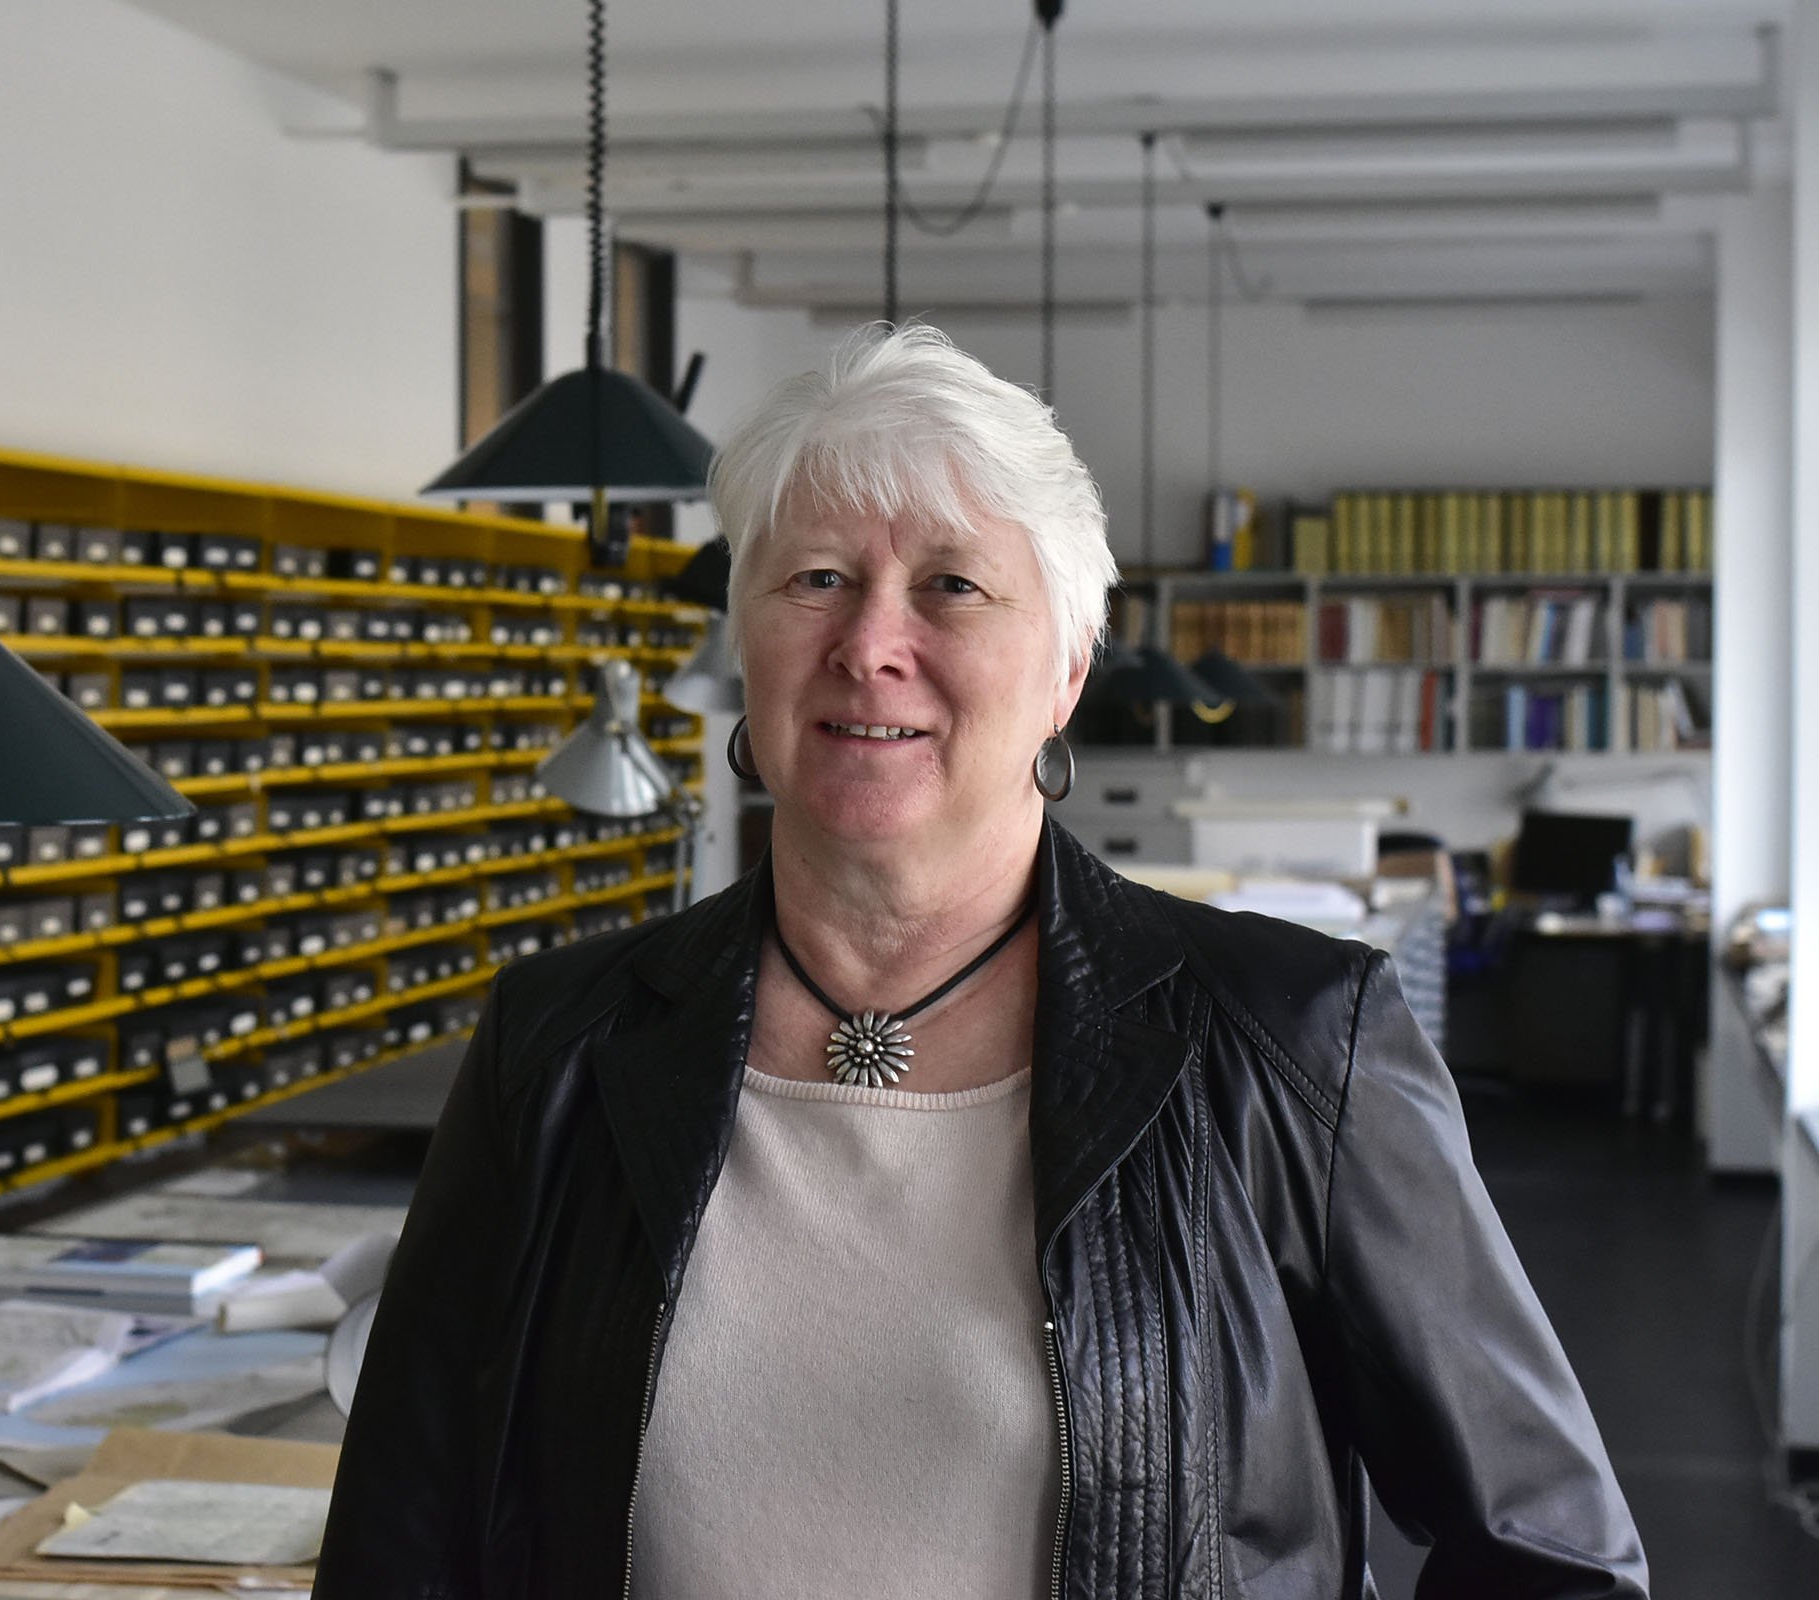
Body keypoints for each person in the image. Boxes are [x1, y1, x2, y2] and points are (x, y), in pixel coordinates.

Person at [315, 324, 1646, 1598]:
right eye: (815, 577)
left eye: (950, 584)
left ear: (1066, 669)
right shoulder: (558, 1047)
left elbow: (1555, 1560)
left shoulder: (1294, 1047)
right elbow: (402, 1548)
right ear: (749, 643)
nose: (870, 643)